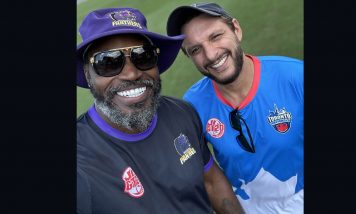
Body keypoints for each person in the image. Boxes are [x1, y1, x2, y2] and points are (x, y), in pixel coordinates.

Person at [76, 7, 244, 214]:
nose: (131, 73)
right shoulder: (80, 160)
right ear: (87, 73)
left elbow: (210, 180)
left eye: (142, 56)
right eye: (108, 62)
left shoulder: (182, 113)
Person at [166, 2, 304, 213]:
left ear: (236, 30)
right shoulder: (193, 106)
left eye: (215, 36)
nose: (211, 55)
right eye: (196, 49)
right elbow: (205, 176)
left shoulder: (295, 77)